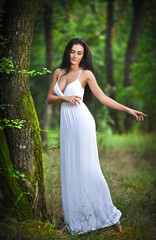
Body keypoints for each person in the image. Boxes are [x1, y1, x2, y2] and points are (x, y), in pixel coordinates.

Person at [47, 38, 147, 235]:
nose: (74, 56)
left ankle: (111, 215)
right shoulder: (59, 73)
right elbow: (50, 99)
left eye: (79, 53)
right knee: (70, 170)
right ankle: (73, 221)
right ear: (67, 52)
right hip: (67, 127)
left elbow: (103, 98)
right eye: (72, 52)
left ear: (84, 56)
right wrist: (64, 97)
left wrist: (128, 109)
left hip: (82, 124)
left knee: (89, 170)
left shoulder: (86, 74)